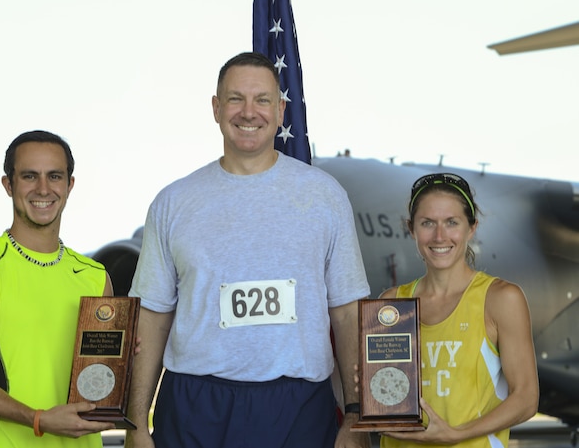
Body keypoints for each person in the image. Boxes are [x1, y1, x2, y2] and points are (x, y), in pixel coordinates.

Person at [125, 52, 372, 448]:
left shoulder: (325, 196)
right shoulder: (173, 202)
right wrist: (136, 422)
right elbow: (152, 319)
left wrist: (356, 417)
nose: (248, 112)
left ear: (280, 110)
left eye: (262, 100)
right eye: (236, 98)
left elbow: (346, 316)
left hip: (299, 408)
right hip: (195, 406)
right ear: (216, 108)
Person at [0, 130, 117, 447]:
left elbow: (100, 376)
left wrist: (122, 357)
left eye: (54, 176)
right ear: (8, 185)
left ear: (69, 185)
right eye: (29, 176)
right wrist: (39, 419)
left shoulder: (95, 276)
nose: (43, 189)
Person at [378, 173, 539, 447]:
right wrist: (370, 387)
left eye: (451, 222)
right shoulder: (392, 303)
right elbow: (387, 389)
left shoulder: (500, 299)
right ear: (411, 229)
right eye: (427, 223)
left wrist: (456, 434)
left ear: (471, 228)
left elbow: (525, 399)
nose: (440, 236)